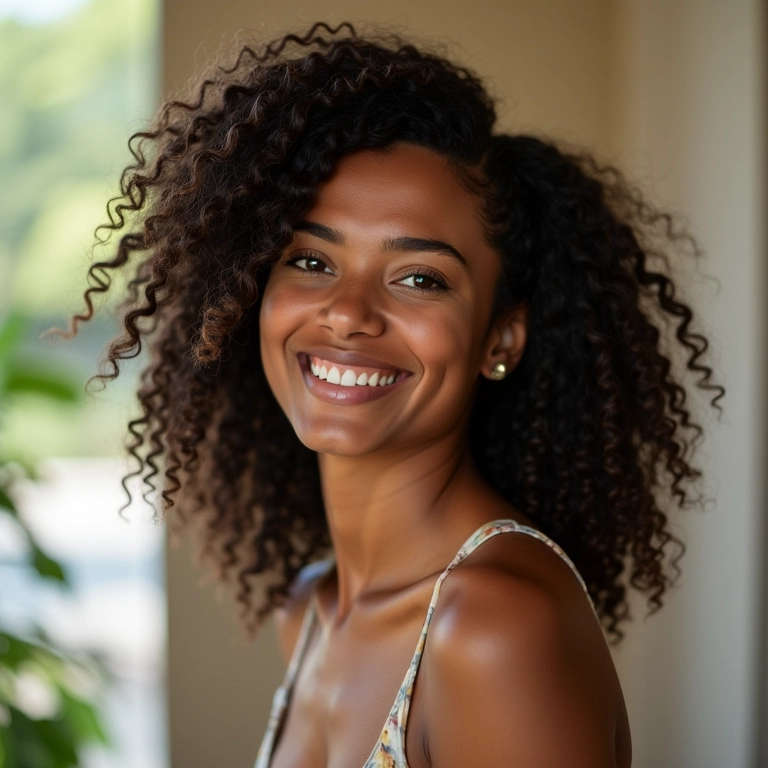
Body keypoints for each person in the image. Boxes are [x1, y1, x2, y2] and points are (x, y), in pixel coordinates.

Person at [51, 21, 724, 767]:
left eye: (419, 278)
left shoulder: (496, 628)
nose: (346, 312)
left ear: (500, 338)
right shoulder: (310, 608)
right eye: (310, 258)